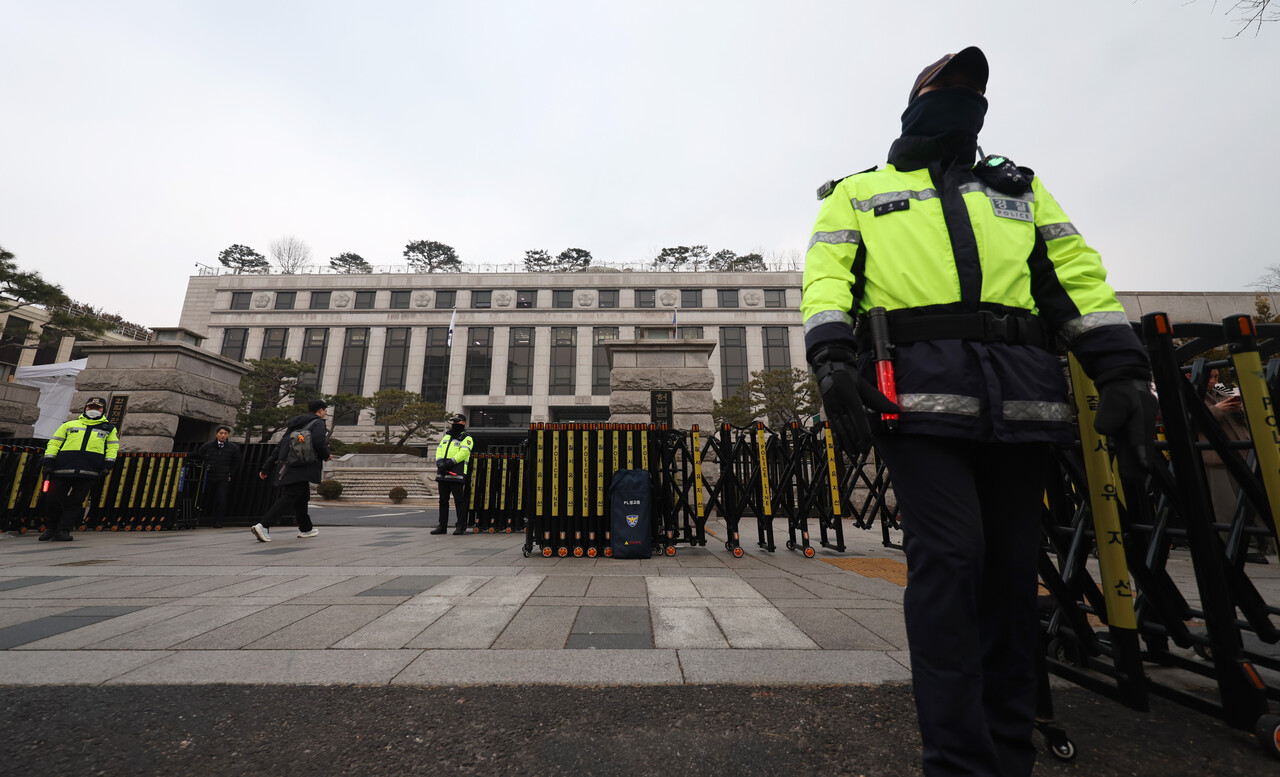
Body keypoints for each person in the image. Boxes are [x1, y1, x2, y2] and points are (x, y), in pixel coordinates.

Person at [801, 47, 1156, 777]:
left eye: (975, 90)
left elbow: (1076, 278)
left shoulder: (1019, 190)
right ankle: (958, 761)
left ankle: (1007, 750)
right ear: (916, 101)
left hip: (1021, 400)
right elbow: (828, 279)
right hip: (920, 402)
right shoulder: (860, 192)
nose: (964, 97)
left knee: (1009, 574)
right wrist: (832, 360)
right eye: (949, 85)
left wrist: (1121, 370)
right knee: (952, 560)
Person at [40, 396, 120, 542]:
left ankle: (63, 530)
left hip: (89, 471)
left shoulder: (109, 429)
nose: (94, 410)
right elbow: (54, 444)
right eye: (91, 407)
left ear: (104, 410)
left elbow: (112, 448)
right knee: (53, 499)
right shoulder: (69, 425)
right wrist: (48, 463)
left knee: (76, 503)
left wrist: (107, 466)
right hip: (62, 469)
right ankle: (51, 528)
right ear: (85, 408)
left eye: (98, 408)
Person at [250, 399, 331, 542]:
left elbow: (280, 446)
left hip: (289, 465)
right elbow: (319, 442)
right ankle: (264, 525)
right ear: (320, 411)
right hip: (303, 466)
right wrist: (326, 455)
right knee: (291, 496)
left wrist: (266, 467)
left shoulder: (295, 424)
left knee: (302, 497)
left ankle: (306, 528)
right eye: (325, 411)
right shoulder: (318, 423)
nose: (325, 414)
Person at [432, 413, 474, 535]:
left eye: (457, 422)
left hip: (456, 473)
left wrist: (449, 463)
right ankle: (442, 526)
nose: (455, 424)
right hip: (443, 473)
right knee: (443, 501)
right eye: (453, 422)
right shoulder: (446, 436)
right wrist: (439, 461)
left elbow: (464, 453)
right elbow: (439, 449)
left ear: (463, 423)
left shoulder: (466, 437)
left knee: (459, 501)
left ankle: (460, 526)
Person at [196, 425, 242, 528]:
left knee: (221, 499)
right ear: (216, 434)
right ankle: (198, 519)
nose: (223, 435)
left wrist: (230, 474)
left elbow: (237, 462)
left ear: (228, 435)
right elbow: (199, 458)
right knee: (202, 497)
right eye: (221, 433)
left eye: (225, 434)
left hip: (223, 477)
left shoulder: (233, 447)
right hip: (208, 476)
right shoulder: (207, 446)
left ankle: (218, 521)